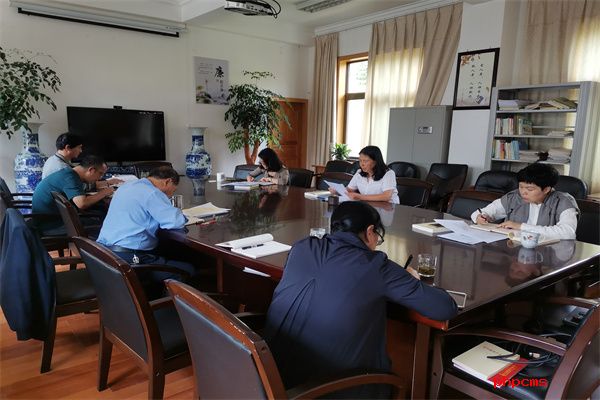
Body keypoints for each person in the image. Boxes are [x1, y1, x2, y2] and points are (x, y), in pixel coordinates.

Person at [264, 201, 457, 395]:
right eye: (378, 237)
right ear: (370, 231)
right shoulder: (375, 266)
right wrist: (412, 281)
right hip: (330, 390)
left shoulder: (302, 247)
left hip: (270, 381)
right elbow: (445, 308)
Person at [96, 166, 197, 297]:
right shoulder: (152, 193)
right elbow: (175, 222)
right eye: (174, 190)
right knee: (187, 269)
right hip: (130, 259)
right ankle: (165, 306)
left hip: (106, 253)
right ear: (168, 181)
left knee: (168, 251)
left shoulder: (126, 187)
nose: (171, 195)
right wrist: (182, 216)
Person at [471, 164, 579, 240]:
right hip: (514, 250)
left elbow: (567, 232)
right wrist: (480, 217)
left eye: (529, 189)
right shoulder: (514, 197)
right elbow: (479, 213)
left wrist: (521, 226)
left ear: (546, 189)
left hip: (550, 254)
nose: (523, 192)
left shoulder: (563, 202)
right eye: (521, 187)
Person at [32, 155, 113, 234]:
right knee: (106, 225)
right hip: (52, 226)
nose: (100, 177)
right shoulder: (70, 178)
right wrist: (103, 193)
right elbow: (82, 204)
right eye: (100, 173)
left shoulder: (69, 173)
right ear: (91, 170)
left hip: (50, 221)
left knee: (100, 213)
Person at [330, 145, 399, 204]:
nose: (362, 164)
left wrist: (359, 196)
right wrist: (337, 191)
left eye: (365, 161)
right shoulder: (359, 173)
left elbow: (386, 196)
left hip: (389, 208)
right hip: (369, 206)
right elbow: (349, 190)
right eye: (360, 160)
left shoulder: (388, 174)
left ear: (375, 161)